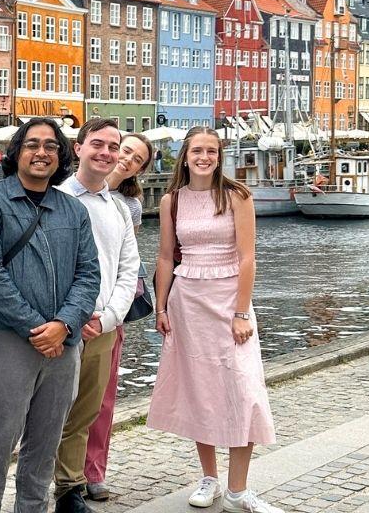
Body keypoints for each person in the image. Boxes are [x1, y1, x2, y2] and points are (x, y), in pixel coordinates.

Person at [0, 118, 100, 513]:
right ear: (17, 151)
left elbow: (88, 274)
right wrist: (36, 328)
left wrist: (64, 325)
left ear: (60, 156)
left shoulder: (73, 209)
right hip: (9, 339)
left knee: (45, 441)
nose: (41, 152)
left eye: (50, 146)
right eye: (32, 144)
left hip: (64, 342)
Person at [148, 127, 280, 513]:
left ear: (219, 156)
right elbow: (165, 257)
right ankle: (210, 478)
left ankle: (238, 490)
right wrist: (160, 307)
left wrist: (241, 311)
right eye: (196, 151)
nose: (204, 157)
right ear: (184, 156)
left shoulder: (237, 195)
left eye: (211, 151)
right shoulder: (173, 200)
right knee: (199, 389)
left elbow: (247, 258)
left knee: (243, 390)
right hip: (187, 300)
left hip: (229, 301)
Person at [51, 120, 140, 512]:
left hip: (101, 324)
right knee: (49, 410)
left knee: (86, 409)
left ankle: (68, 487)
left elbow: (128, 269)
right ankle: (38, 483)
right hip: (57, 324)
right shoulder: (52, 198)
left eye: (113, 147)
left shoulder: (118, 209)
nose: (106, 153)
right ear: (79, 147)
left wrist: (108, 318)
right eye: (98, 144)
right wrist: (67, 316)